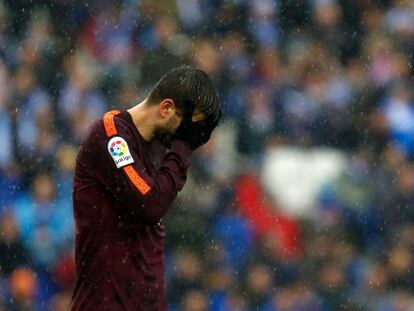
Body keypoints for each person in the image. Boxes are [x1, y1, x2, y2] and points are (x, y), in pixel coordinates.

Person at [70, 66, 222, 310]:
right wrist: (182, 147)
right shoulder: (111, 136)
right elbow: (150, 204)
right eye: (187, 130)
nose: (186, 140)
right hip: (105, 304)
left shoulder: (161, 147)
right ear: (166, 108)